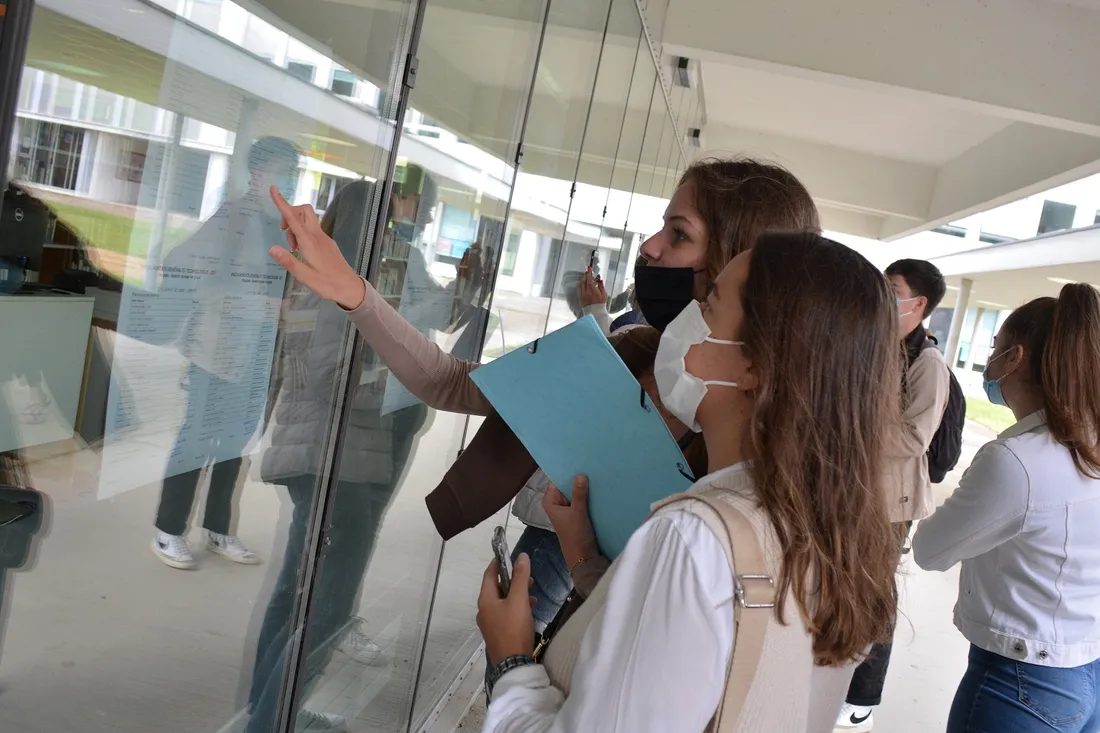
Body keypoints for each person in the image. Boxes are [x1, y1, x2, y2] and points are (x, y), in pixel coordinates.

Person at [268, 158, 821, 629]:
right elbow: (455, 383)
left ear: (742, 267)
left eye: (679, 235)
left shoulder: (755, 489)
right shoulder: (630, 349)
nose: (649, 248)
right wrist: (352, 291)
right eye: (662, 227)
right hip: (557, 551)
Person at [475, 233, 902, 731]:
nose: (691, 314)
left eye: (711, 302)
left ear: (755, 366)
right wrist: (588, 564)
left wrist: (510, 659)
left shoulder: (692, 537)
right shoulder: (831, 528)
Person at [246, 176, 434, 733]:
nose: (400, 232)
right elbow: (333, 373)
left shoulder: (322, 276)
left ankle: (272, 712)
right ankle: (268, 722)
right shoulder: (340, 283)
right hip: (340, 463)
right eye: (393, 221)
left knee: (294, 594)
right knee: (325, 608)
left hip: (319, 452)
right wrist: (399, 380)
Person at [913, 284, 1100, 733]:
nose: (990, 359)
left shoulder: (1016, 461)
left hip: (1021, 681)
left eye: (995, 348)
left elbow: (929, 549)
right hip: (1085, 664)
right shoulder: (1087, 445)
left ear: (1014, 358)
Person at [150, 136, 301, 570]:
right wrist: (267, 306)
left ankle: (218, 529)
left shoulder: (281, 225)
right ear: (257, 173)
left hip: (257, 356)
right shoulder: (233, 218)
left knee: (235, 443)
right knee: (196, 439)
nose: (284, 179)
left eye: (289, 171)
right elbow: (187, 269)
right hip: (215, 352)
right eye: (278, 169)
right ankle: (168, 530)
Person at [835, 258, 952, 731]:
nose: (882, 295)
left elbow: (913, 439)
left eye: (893, 288)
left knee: (874, 596)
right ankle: (834, 675)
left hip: (891, 505)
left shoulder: (928, 363)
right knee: (843, 585)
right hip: (856, 491)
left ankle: (863, 696)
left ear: (919, 304)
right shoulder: (875, 346)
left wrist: (849, 420)